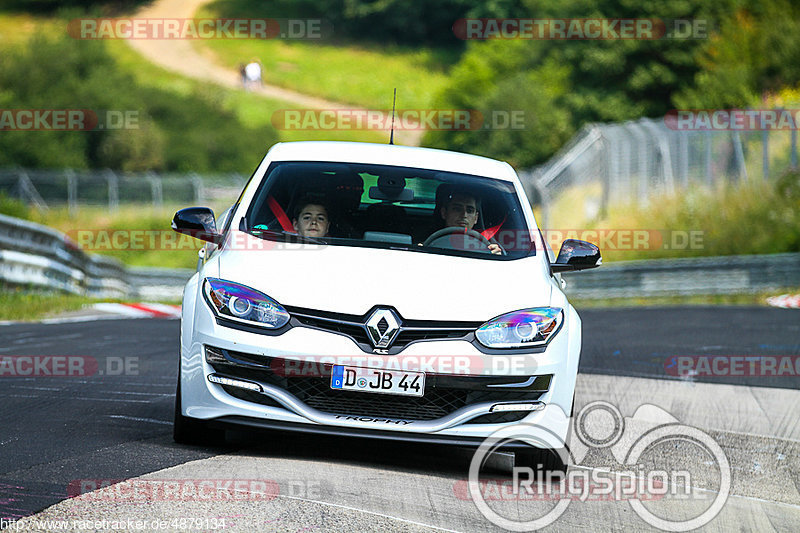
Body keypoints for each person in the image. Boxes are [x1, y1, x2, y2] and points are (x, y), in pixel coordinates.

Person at [437, 189, 502, 254]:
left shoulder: (487, 244)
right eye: (457, 209)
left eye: (470, 211)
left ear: (476, 218)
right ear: (444, 213)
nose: (464, 215)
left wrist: (495, 255)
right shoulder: (428, 239)